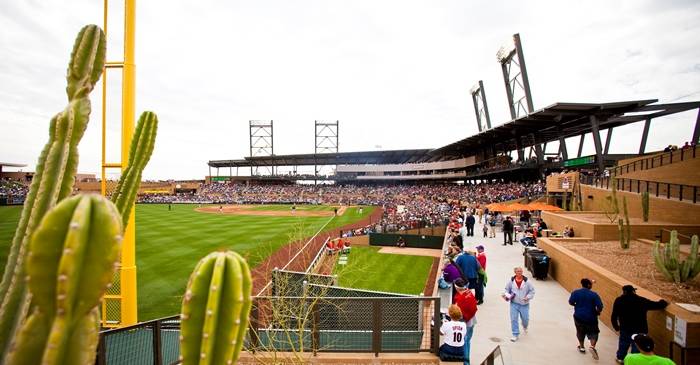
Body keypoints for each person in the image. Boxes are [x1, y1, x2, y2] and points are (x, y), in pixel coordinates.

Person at [611, 285, 668, 363]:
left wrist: (616, 327)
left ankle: (620, 358)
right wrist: (663, 302)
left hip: (625, 328)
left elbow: (614, 315)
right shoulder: (641, 300)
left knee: (623, 343)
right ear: (633, 291)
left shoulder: (619, 300)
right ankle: (635, 361)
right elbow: (655, 305)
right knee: (637, 346)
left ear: (623, 292)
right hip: (640, 329)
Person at [568, 278, 604, 360]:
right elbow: (600, 306)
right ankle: (592, 346)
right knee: (594, 332)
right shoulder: (594, 295)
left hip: (578, 316)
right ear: (588, 285)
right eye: (591, 284)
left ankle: (582, 347)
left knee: (580, 331)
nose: (591, 285)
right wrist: (597, 312)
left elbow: (570, 302)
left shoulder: (575, 292)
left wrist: (576, 305)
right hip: (591, 318)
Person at [502, 267, 535, 342]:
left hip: (524, 304)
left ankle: (525, 326)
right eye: (518, 271)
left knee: (525, 319)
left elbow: (532, 291)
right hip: (514, 304)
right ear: (515, 272)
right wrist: (506, 295)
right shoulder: (511, 281)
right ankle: (515, 334)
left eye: (521, 271)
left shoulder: (527, 282)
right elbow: (506, 289)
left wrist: (528, 297)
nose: (520, 272)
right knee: (514, 319)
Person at [453, 279, 477, 364]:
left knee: (465, 342)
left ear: (456, 288)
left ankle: (466, 362)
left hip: (466, 323)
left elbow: (459, 314)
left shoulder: (459, 298)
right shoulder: (469, 292)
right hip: (472, 320)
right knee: (467, 341)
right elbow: (474, 307)